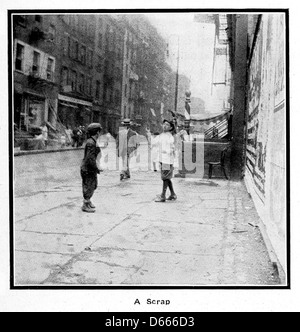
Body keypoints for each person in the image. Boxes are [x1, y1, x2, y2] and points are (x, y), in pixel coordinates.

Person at [80, 123, 102, 213]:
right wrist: (96, 168)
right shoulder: (91, 143)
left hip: (90, 168)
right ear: (97, 132)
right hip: (88, 169)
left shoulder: (92, 141)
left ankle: (88, 201)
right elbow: (90, 158)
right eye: (99, 132)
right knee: (89, 186)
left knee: (93, 185)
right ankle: (85, 204)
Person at [155, 119, 177, 202]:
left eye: (167, 125)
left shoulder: (170, 137)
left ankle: (163, 196)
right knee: (166, 177)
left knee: (165, 177)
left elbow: (171, 148)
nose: (165, 126)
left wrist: (166, 151)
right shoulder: (162, 135)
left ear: (171, 127)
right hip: (162, 159)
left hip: (167, 159)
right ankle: (172, 194)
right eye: (164, 124)